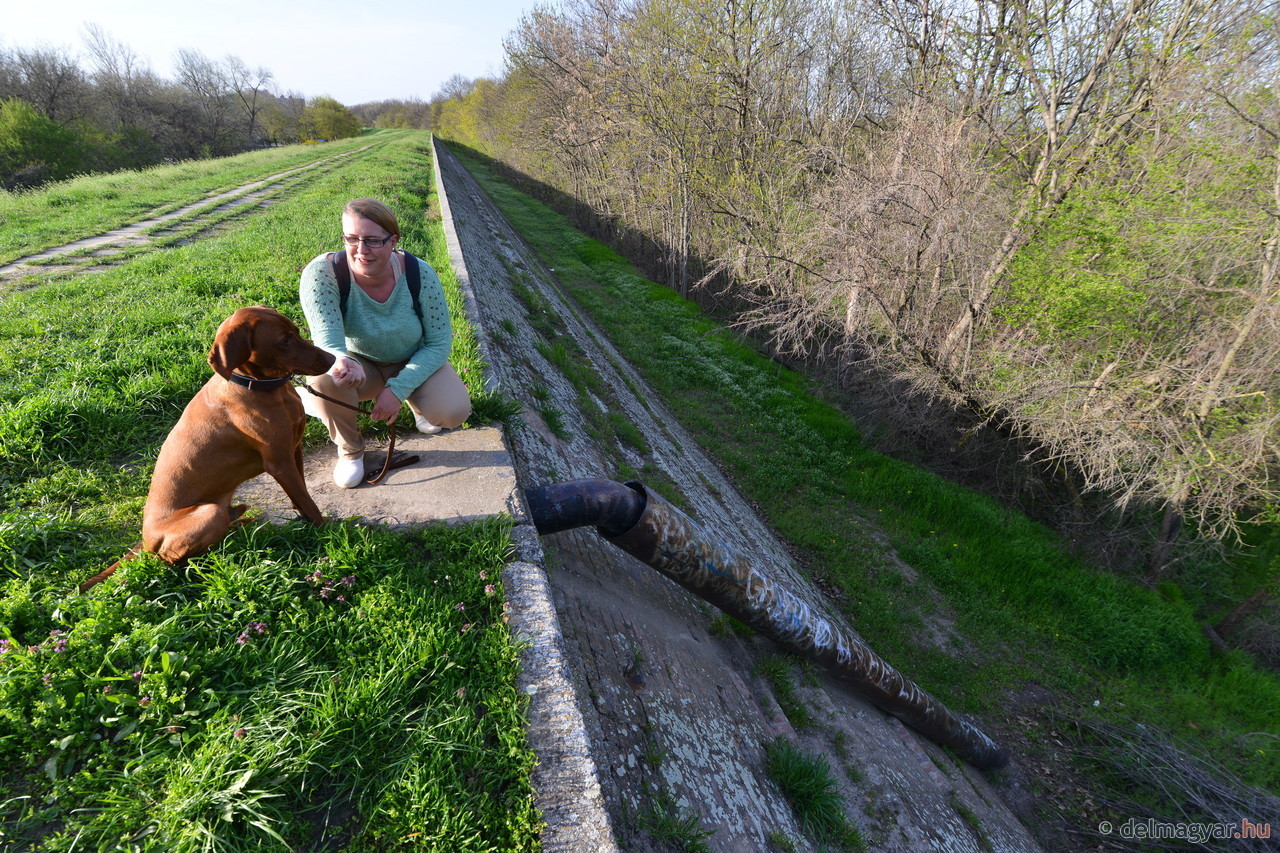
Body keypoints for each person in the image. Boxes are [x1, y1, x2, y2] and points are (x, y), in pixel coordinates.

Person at [299, 198, 471, 488]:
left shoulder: (419, 273)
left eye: (373, 241)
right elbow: (326, 341)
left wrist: (397, 389)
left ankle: (416, 404)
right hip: (360, 365)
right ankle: (350, 451)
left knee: (453, 411)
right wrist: (342, 361)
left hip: (411, 358)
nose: (361, 250)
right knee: (324, 376)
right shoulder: (322, 274)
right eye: (351, 238)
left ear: (393, 241)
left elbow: (439, 343)